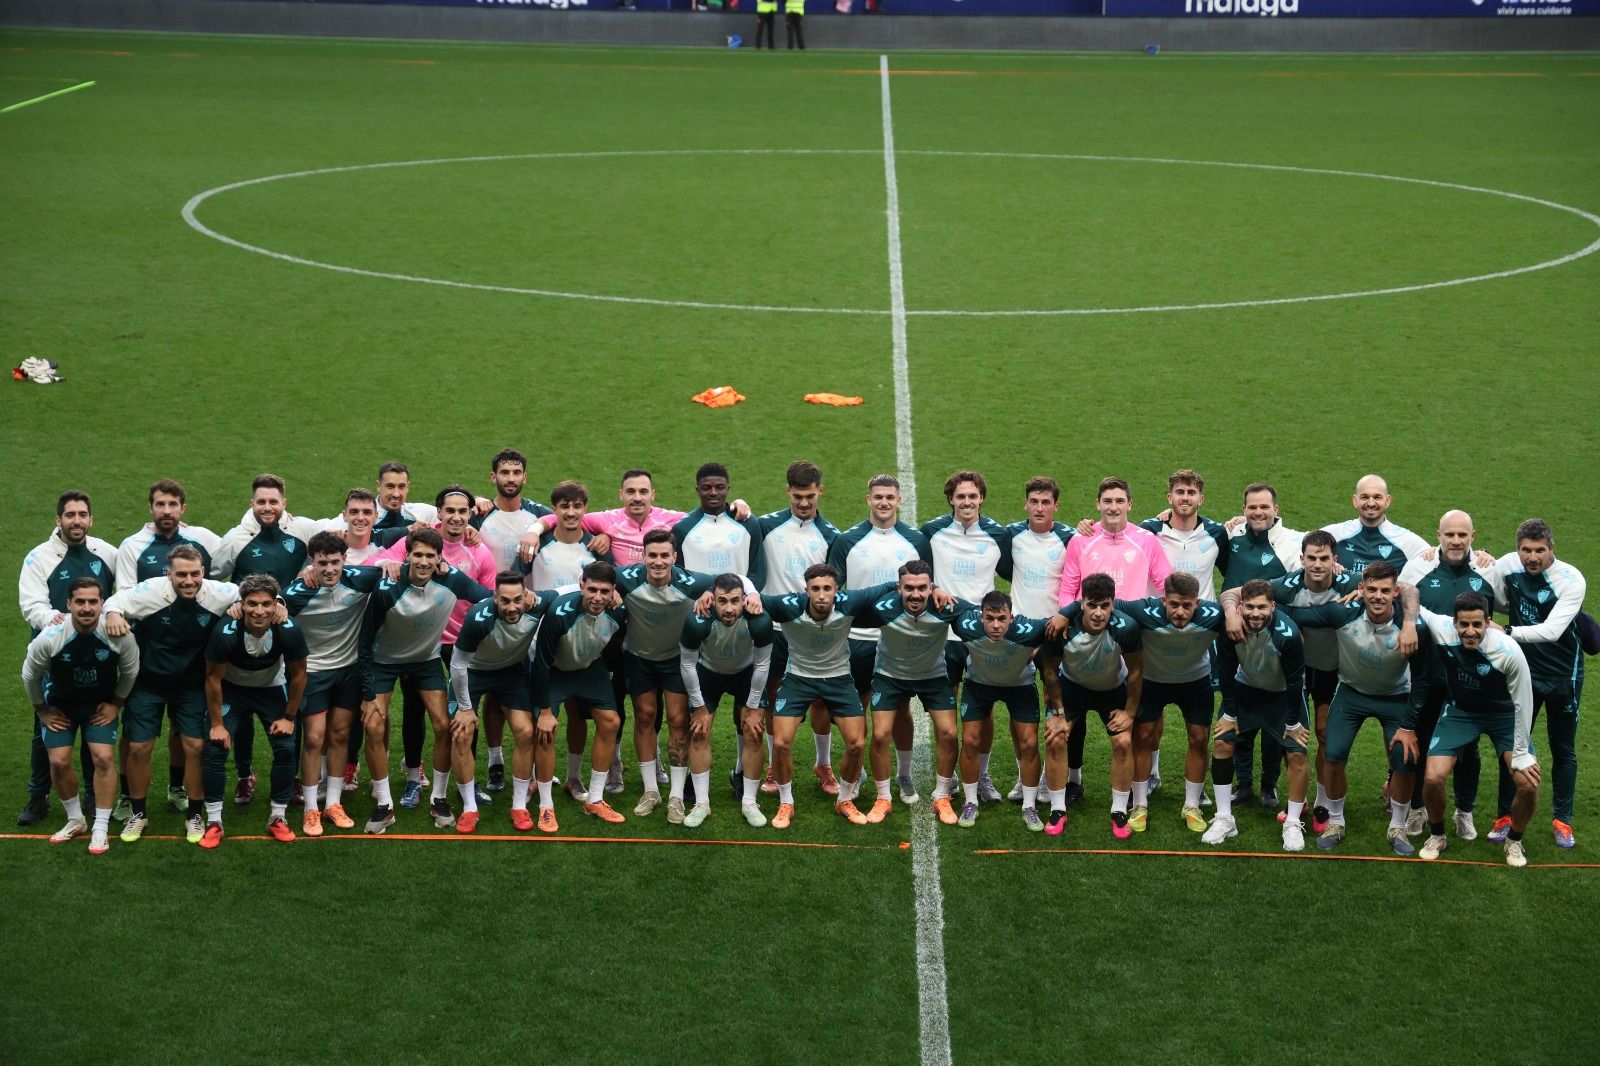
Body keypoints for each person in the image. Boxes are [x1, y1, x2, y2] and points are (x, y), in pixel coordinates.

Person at [1267, 561, 1422, 855]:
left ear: (1396, 592)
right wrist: (1245, 606)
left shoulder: (1412, 625)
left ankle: (1398, 827)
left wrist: (1409, 725)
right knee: (1334, 753)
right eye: (1371, 589)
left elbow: (1423, 680)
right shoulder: (1342, 612)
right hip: (1351, 693)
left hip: (1395, 696)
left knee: (1404, 758)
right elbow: (1294, 613)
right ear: (1360, 589)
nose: (1378, 596)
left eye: (1385, 591)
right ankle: (1336, 820)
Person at [370, 485, 498, 809]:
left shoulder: (479, 552)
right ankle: (414, 777)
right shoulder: (421, 540)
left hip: (458, 644)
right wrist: (386, 562)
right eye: (449, 510)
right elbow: (378, 560)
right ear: (438, 512)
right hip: (420, 642)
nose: (456, 517)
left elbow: (490, 599)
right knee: (414, 708)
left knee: (464, 711)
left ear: (470, 515)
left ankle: (465, 782)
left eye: (462, 511)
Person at [356, 529, 492, 835]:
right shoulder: (387, 587)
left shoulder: (453, 580)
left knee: (444, 726)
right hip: (383, 662)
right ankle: (384, 803)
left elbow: (490, 599)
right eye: (418, 555)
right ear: (407, 556)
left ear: (439, 558)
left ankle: (439, 797)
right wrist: (366, 694)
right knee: (374, 725)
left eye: (431, 555)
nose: (424, 561)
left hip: (425, 661)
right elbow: (364, 643)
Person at [102, 546, 240, 844]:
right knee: (138, 747)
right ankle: (138, 813)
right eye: (181, 575)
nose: (189, 580)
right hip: (147, 683)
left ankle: (194, 814)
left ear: (203, 572)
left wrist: (273, 602)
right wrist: (112, 612)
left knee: (194, 745)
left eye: (194, 574)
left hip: (191, 685)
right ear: (169, 574)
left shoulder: (218, 592)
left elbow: (248, 593)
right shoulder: (150, 592)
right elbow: (116, 599)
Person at [211, 474, 324, 806]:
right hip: (250, 627)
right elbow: (212, 577)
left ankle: (290, 780)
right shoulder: (236, 539)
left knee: (294, 702)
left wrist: (309, 568)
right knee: (243, 708)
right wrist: (233, 601)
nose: (267, 507)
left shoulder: (304, 530)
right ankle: (245, 775)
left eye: (274, 501)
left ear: (284, 503)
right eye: (261, 501)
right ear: (252, 504)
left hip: (291, 631)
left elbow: (336, 539)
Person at [760, 564, 897, 829]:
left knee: (857, 743)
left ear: (837, 591)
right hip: (798, 679)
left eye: (827, 589)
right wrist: (747, 595)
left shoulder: (849, 603)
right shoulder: (788, 607)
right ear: (806, 590)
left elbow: (889, 587)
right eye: (815, 589)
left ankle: (844, 799)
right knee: (781, 743)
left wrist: (934, 588)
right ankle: (786, 802)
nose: (821, 595)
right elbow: (749, 595)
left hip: (839, 680)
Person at [1411, 594, 1541, 867]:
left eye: (1477, 625)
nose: (1470, 632)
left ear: (1488, 623)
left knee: (1527, 784)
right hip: (1461, 712)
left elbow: (1523, 703)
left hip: (1503, 714)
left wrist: (1520, 753)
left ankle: (1514, 840)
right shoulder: (1441, 628)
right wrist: (1362, 590)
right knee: (1433, 778)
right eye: (1464, 625)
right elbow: (1410, 594)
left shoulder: (1508, 650)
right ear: (1454, 623)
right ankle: (1437, 835)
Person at [826, 474, 931, 805]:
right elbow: (832, 592)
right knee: (855, 710)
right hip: (856, 639)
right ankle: (855, 774)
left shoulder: (916, 539)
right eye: (878, 497)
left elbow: (927, 588)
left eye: (890, 497)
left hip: (898, 640)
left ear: (899, 500)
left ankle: (903, 774)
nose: (884, 502)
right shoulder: (847, 541)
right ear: (868, 500)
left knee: (899, 707)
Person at [16, 490, 118, 827]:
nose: (77, 521)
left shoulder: (106, 552)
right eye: (70, 515)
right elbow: (32, 606)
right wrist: (61, 623)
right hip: (53, 652)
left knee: (95, 718)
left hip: (97, 648)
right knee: (46, 723)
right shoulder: (39, 558)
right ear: (57, 519)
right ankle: (38, 795)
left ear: (91, 519)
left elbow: (122, 593)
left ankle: (92, 793)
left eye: (83, 515)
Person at [1396, 511, 1498, 840]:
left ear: (1473, 537)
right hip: (1426, 673)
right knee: (1419, 740)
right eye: (1449, 534)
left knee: (1467, 747)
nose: (1455, 541)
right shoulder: (1418, 567)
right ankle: (1417, 808)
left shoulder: (1487, 570)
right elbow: (1402, 604)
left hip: (1469, 677)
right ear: (1437, 535)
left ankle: (1464, 811)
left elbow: (1500, 614)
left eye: (1462, 535)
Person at [1487, 518, 1586, 850]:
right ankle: (1504, 817)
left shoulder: (1571, 579)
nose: (1532, 557)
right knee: (1513, 747)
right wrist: (1477, 559)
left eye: (1539, 550)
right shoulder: (1508, 565)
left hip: (1563, 676)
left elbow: (1552, 630)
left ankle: (1563, 821)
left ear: (1552, 549)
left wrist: (1509, 631)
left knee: (1563, 748)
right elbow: (1486, 590)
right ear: (1518, 549)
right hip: (1522, 674)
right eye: (1526, 550)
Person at [22, 578, 139, 853]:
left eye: (93, 602)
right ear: (68, 604)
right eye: (80, 602)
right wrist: (42, 710)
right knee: (60, 762)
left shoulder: (119, 634)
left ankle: (100, 826)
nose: (86, 608)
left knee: (103, 757)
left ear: (102, 604)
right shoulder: (50, 638)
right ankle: (76, 820)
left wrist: (115, 705)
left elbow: (131, 671)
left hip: (98, 707)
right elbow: (30, 675)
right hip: (60, 706)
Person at [281, 531, 385, 835]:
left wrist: (392, 563)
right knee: (314, 738)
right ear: (311, 562)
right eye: (322, 563)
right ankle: (311, 808)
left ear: (344, 560)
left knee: (340, 735)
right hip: (313, 673)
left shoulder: (359, 579)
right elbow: (274, 605)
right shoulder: (297, 593)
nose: (329, 569)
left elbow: (392, 571)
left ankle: (333, 803)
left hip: (348, 671)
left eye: (335, 562)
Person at [612, 529, 717, 822]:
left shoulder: (693, 582)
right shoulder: (625, 578)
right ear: (643, 556)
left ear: (674, 557)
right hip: (638, 658)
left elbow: (732, 584)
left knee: (678, 720)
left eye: (664, 556)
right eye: (652, 555)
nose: (658, 562)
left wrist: (712, 593)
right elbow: (589, 577)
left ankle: (675, 796)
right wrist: (609, 592)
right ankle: (650, 791)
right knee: (644, 716)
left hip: (675, 660)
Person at [921, 471, 1013, 805]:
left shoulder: (998, 535)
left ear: (981, 499)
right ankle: (948, 778)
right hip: (943, 636)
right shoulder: (931, 532)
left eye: (972, 496)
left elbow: (1016, 571)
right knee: (945, 710)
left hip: (982, 636)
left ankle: (982, 775)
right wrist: (933, 588)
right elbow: (917, 575)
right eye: (960, 497)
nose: (967, 502)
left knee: (983, 708)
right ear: (951, 500)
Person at [522, 481, 617, 800]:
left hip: (584, 644)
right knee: (544, 718)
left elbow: (610, 586)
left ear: (585, 509)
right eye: (564, 506)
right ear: (555, 510)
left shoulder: (597, 547)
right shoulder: (538, 544)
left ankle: (574, 778)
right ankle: (537, 776)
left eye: (577, 506)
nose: (571, 512)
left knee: (580, 715)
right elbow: (520, 587)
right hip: (543, 643)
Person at [852, 561, 968, 825]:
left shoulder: (945, 606)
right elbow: (847, 609)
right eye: (909, 588)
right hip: (890, 676)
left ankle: (942, 795)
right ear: (898, 588)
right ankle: (884, 796)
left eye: (922, 588)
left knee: (949, 732)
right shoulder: (882, 608)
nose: (915, 594)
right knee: (880, 733)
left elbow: (981, 615)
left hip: (933, 676)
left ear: (931, 588)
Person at [199, 575, 310, 848]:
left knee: (286, 747)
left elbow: (299, 675)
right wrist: (216, 723)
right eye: (252, 604)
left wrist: (289, 718)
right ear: (242, 605)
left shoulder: (289, 629)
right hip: (232, 690)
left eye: (265, 604)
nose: (259, 611)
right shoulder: (225, 631)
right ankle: (214, 822)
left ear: (276, 605)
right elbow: (212, 679)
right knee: (214, 747)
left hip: (270, 689)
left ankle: (278, 817)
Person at [1113, 572, 1227, 833]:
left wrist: (1231, 612)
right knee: (1142, 737)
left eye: (1187, 605)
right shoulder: (1144, 610)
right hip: (1153, 682)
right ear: (1163, 600)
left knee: (1199, 739)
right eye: (1174, 604)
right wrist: (1066, 614)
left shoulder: (1213, 615)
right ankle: (1139, 805)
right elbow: (1110, 603)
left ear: (1197, 603)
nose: (1180, 611)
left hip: (1195, 681)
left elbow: (1238, 605)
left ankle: (1191, 805)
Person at [754, 461, 842, 796]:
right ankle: (776, 764)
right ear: (787, 491)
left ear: (820, 490)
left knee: (821, 699)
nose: (804, 502)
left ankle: (822, 763)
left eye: (809, 495)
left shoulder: (832, 536)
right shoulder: (765, 526)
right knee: (774, 698)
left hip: (813, 631)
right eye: (797, 496)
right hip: (775, 629)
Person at [1202, 579, 1309, 850]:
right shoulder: (1231, 627)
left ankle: (1293, 823)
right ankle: (1224, 818)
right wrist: (1229, 710)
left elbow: (1297, 680)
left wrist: (1293, 720)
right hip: (1245, 688)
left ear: (1273, 606)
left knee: (1297, 753)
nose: (1255, 613)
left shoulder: (1288, 634)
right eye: (1249, 607)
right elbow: (1225, 669)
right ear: (1240, 607)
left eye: (1262, 607)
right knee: (1223, 741)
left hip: (1282, 695)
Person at [1220, 482, 1305, 810]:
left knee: (1275, 721)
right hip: (1236, 631)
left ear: (1276, 510)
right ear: (1243, 510)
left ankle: (1269, 785)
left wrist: (1338, 566)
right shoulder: (1231, 535)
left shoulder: (1292, 541)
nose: (1258, 512)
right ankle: (1244, 783)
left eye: (1264, 507)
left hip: (1276, 640)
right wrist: (1166, 514)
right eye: (1252, 507)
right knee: (1238, 715)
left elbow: (1320, 555)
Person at [451, 574, 559, 832]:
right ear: (495, 598)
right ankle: (469, 808)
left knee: (525, 731)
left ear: (527, 596)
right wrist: (465, 708)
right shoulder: (478, 617)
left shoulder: (540, 602)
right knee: (461, 733)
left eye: (518, 600)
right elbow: (458, 664)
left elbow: (561, 593)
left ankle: (519, 805)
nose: (513, 608)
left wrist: (613, 594)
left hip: (511, 672)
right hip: (474, 672)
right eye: (506, 601)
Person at [1041, 573, 1145, 838]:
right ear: (1082, 603)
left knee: (1123, 743)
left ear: (1113, 604)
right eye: (1091, 605)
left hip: (1111, 690)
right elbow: (1050, 672)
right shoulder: (1062, 628)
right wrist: (1059, 714)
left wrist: (1129, 712)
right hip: (1072, 688)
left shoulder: (1126, 627)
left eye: (1105, 606)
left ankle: (1119, 811)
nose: (1098, 613)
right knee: (1055, 738)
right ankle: (1057, 809)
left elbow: (1136, 671)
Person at [1268, 530, 1357, 834]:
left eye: (1325, 558)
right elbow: (1251, 596)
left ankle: (1321, 801)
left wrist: (1364, 591)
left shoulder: (1352, 583)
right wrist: (1289, 623)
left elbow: (1396, 588)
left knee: (1324, 733)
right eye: (1312, 558)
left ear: (1336, 561)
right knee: (1294, 735)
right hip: (1298, 669)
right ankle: (1299, 798)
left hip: (1334, 669)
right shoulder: (1288, 586)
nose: (1317, 564)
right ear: (1302, 559)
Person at [531, 562, 629, 824]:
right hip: (552, 668)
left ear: (613, 591)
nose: (598, 597)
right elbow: (540, 662)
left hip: (587, 666)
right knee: (545, 729)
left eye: (604, 591)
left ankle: (594, 799)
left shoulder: (620, 611)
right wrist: (544, 712)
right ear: (581, 585)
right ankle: (545, 805)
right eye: (592, 589)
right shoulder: (559, 613)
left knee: (611, 722)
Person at [951, 591, 1053, 831]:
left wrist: (1041, 650)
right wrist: (935, 589)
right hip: (979, 685)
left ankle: (1029, 805)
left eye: (1001, 618)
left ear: (1012, 618)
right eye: (989, 618)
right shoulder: (965, 624)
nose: (995, 625)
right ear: (980, 617)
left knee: (1028, 743)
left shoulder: (1028, 629)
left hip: (1020, 686)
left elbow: (1058, 626)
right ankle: (970, 801)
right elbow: (941, 604)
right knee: (970, 740)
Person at [680, 574, 776, 828]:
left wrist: (754, 707)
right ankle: (701, 804)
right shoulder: (697, 621)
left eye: (735, 601)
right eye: (723, 601)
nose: (730, 608)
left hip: (746, 673)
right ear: (713, 601)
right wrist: (699, 707)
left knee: (754, 731)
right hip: (708, 672)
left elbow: (763, 664)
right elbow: (687, 665)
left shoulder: (759, 621)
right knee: (699, 731)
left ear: (744, 600)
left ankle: (749, 802)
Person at [1002, 477, 1074, 803]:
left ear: (1056, 506)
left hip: (1053, 635)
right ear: (1026, 503)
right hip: (1017, 635)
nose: (1040, 507)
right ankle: (1024, 776)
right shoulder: (1011, 535)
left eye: (1046, 502)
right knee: (1019, 712)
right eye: (1034, 501)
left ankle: (1049, 777)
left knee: (1054, 707)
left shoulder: (1070, 538)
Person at [1320, 474, 1429, 578]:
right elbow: (1304, 545)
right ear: (1355, 501)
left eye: (1377, 497)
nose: (1371, 503)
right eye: (1364, 497)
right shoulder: (1335, 534)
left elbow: (1436, 560)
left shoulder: (1405, 541)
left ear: (1387, 501)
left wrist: (1434, 551)